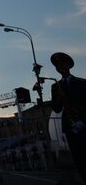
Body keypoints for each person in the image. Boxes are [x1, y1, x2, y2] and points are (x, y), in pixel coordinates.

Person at [50, 52, 86, 182]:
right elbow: (57, 108)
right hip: (70, 125)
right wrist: (59, 97)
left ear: (69, 65)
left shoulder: (82, 83)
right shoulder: (56, 86)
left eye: (63, 64)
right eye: (58, 66)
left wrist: (83, 122)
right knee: (78, 159)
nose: (61, 67)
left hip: (83, 123)